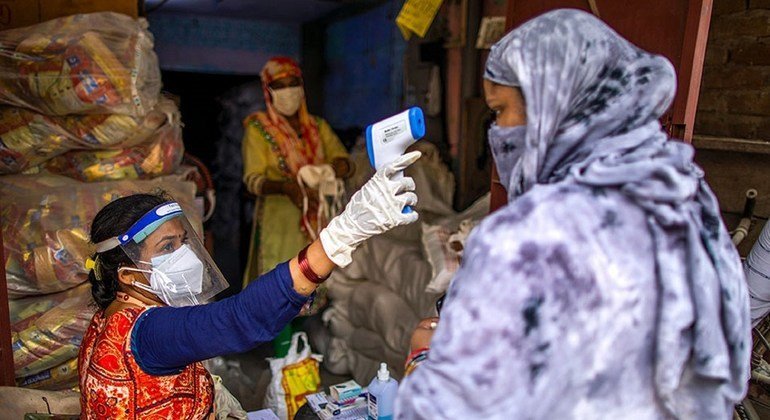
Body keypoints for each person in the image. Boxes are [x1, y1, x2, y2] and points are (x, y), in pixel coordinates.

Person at [397, 10, 750, 419]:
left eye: (500, 111)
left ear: (553, 105)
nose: (497, 133)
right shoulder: (687, 201)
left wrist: (424, 358)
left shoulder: (531, 239)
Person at [77, 151, 420, 419]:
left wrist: (281, 301)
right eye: (167, 248)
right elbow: (236, 319)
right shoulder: (149, 333)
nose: (183, 255)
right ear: (127, 274)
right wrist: (344, 233)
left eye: (184, 242)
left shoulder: (109, 321)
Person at [242, 56, 353, 288]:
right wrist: (286, 187)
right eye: (279, 86)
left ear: (302, 88)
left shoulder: (317, 127)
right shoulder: (258, 129)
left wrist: (335, 169)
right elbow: (253, 180)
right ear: (268, 91)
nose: (288, 91)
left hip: (319, 218)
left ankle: (307, 323)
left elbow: (346, 162)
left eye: (293, 83)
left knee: (317, 277)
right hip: (279, 221)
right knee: (279, 281)